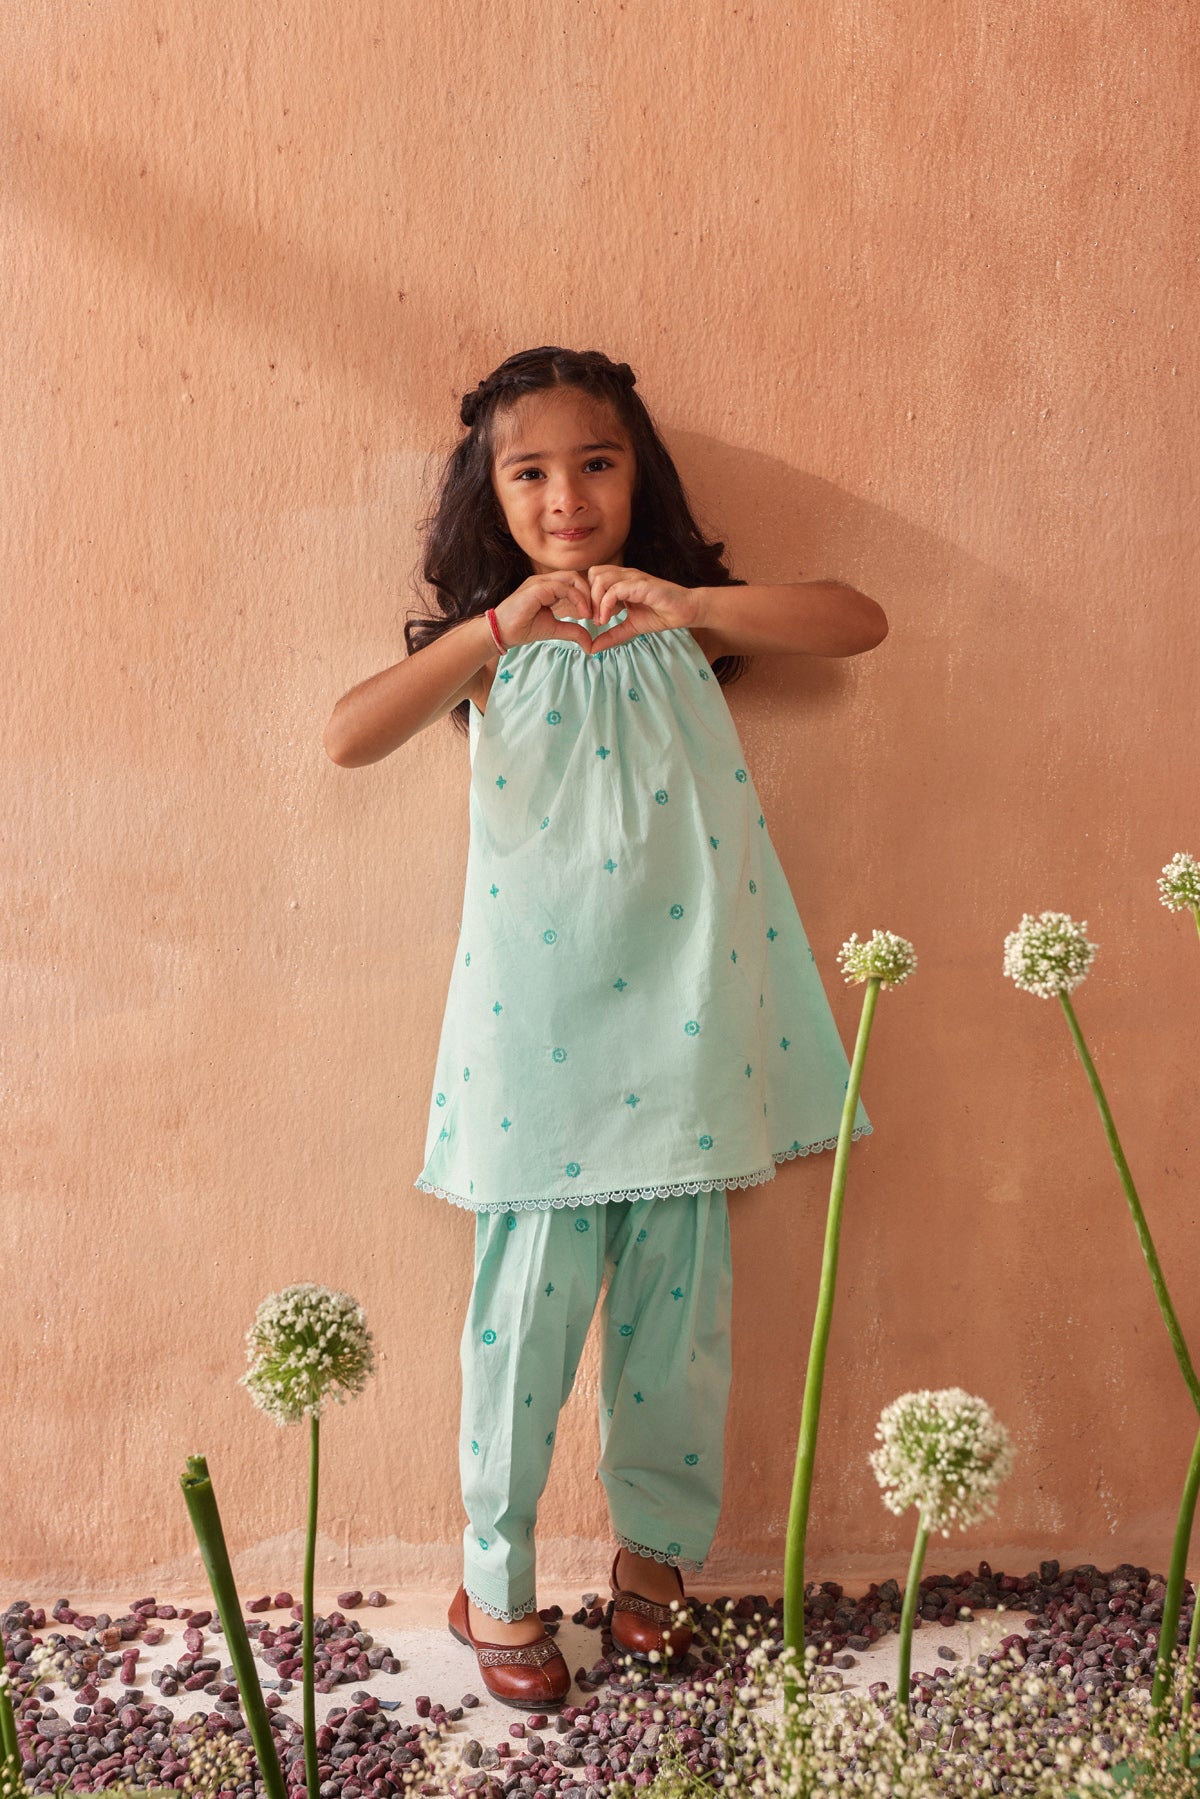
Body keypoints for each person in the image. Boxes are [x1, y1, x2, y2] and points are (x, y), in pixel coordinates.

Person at [323, 346, 887, 1709]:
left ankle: (654, 1559)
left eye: (596, 463)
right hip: (535, 1033)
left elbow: (855, 621)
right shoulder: (487, 651)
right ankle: (494, 1578)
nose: (566, 496)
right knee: (523, 1317)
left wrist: (688, 599)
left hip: (687, 1014)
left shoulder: (683, 625)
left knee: (678, 1318)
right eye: (529, 473)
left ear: (640, 478)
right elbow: (347, 737)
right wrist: (493, 628)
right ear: (491, 495)